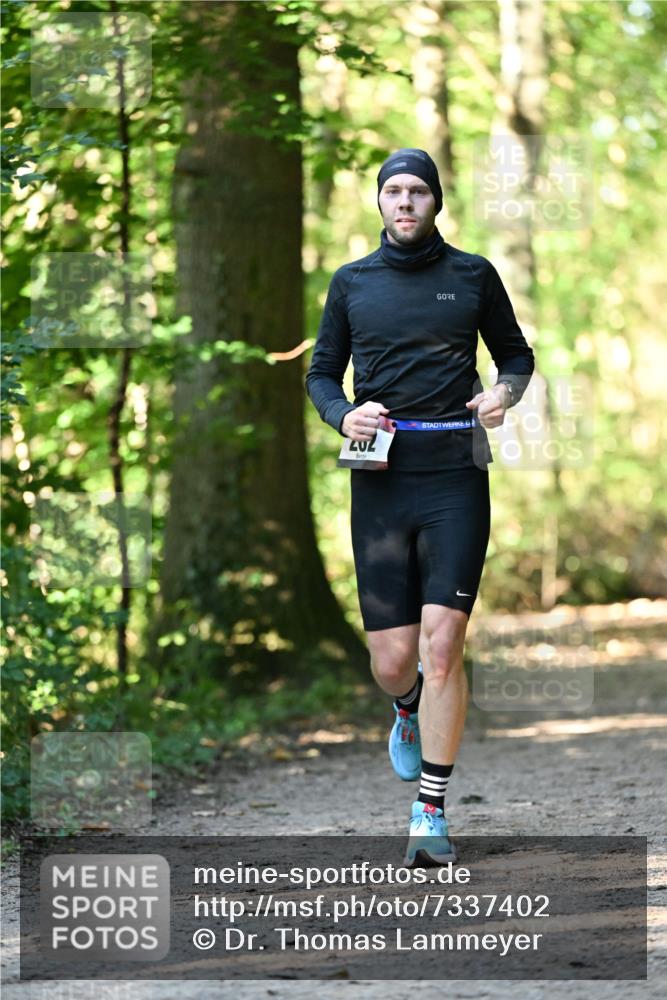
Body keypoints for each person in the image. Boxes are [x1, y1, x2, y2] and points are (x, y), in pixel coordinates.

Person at [305, 148, 534, 865]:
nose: (404, 203)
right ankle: (401, 709)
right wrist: (343, 416)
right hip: (379, 483)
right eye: (393, 191)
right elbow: (320, 375)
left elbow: (515, 357)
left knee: (442, 646)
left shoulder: (471, 276)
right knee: (392, 660)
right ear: (378, 202)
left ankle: (429, 811)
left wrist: (502, 395)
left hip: (454, 477)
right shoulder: (351, 284)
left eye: (417, 192)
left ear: (436, 201)